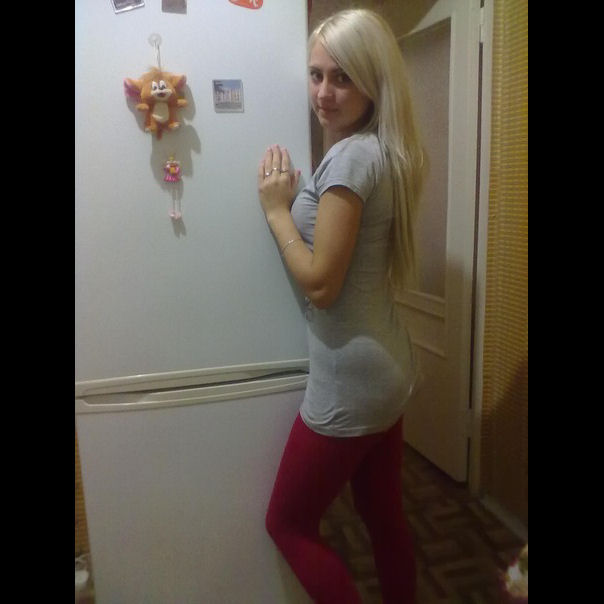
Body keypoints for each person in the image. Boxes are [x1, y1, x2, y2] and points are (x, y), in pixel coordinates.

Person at [257, 8, 425, 604]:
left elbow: (322, 286)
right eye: (316, 74)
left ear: (373, 82)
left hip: (350, 379)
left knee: (287, 523)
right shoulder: (381, 149)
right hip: (387, 368)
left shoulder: (353, 157)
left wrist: (277, 212)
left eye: (343, 77)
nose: (323, 93)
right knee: (383, 516)